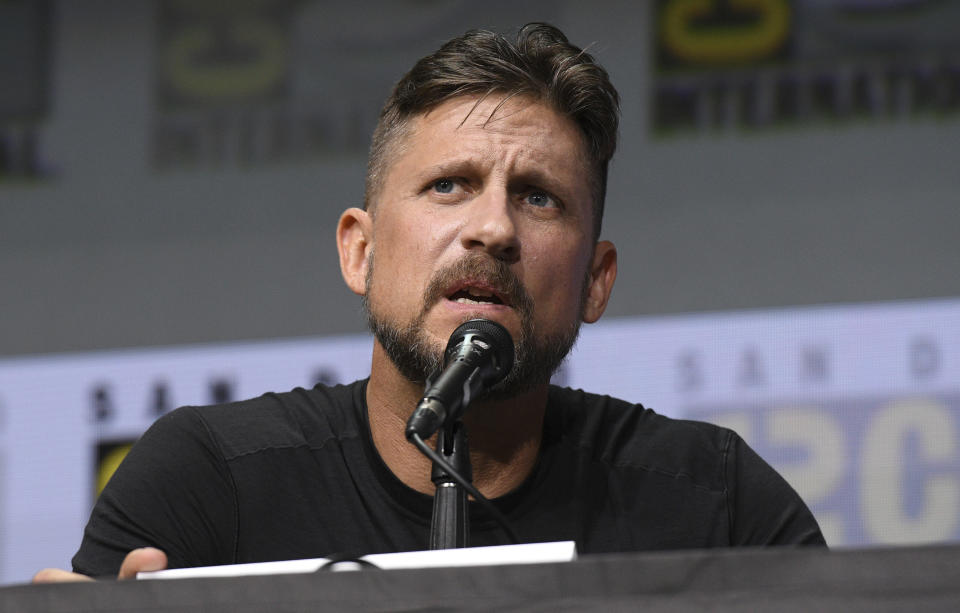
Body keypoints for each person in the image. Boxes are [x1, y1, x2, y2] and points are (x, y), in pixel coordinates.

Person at [34, 22, 824, 583]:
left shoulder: (716, 507)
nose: (492, 228)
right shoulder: (212, 486)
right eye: (449, 185)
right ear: (360, 249)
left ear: (595, 280)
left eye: (540, 198)